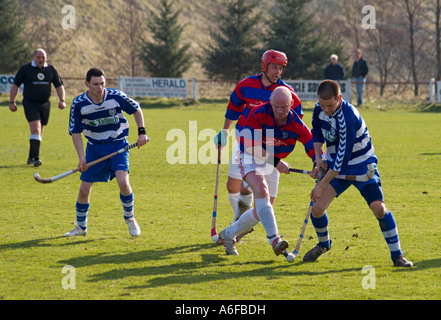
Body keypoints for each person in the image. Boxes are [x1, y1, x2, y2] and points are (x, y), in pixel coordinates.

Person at [304, 79, 413, 267]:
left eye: (330, 105)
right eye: (322, 105)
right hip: (335, 166)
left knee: (379, 208)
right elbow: (317, 133)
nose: (326, 109)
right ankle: (324, 245)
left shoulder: (347, 117)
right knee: (317, 209)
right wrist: (318, 159)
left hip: (361, 165)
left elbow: (341, 160)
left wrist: (321, 184)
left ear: (339, 98)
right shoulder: (319, 108)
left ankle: (398, 256)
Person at [218, 86, 317, 258]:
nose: (280, 111)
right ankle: (275, 240)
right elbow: (250, 145)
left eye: (284, 107)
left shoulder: (296, 123)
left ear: (291, 104)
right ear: (270, 103)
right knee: (261, 191)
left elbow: (310, 142)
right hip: (249, 155)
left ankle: (228, 234)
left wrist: (317, 163)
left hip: (272, 159)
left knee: (261, 210)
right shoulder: (258, 114)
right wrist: (276, 162)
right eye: (276, 106)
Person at [214, 49, 303, 240]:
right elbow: (233, 109)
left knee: (249, 188)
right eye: (274, 67)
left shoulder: (287, 93)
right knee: (232, 186)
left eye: (281, 68)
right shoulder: (246, 85)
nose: (277, 72)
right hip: (243, 141)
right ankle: (239, 222)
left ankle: (237, 226)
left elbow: (296, 123)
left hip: (267, 148)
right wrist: (224, 132)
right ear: (264, 66)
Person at [64, 68, 149, 237]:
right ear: (87, 84)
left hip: (118, 146)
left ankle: (130, 219)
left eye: (102, 83)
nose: (100, 88)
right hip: (94, 149)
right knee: (84, 190)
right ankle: (81, 227)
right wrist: (81, 158)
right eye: (95, 84)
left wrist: (142, 132)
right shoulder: (79, 103)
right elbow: (75, 132)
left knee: (124, 184)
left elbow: (136, 109)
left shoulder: (116, 96)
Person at [9, 48, 66, 166]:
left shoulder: (51, 69)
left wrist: (62, 100)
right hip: (30, 102)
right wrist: (12, 101)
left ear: (46, 58)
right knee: (36, 129)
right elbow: (15, 85)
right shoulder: (26, 69)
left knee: (40, 131)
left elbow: (59, 86)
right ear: (34, 57)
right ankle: (35, 158)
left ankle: (31, 158)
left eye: (43, 57)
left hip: (45, 103)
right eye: (39, 57)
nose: (41, 59)